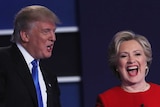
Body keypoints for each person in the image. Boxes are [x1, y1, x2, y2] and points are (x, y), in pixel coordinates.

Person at [0, 5, 61, 107]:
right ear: (25, 35)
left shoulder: (49, 76)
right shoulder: (3, 61)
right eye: (46, 31)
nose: (53, 38)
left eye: (53, 31)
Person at [95, 30, 160, 107]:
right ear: (116, 65)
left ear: (146, 62)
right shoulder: (106, 100)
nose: (131, 60)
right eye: (124, 56)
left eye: (137, 54)